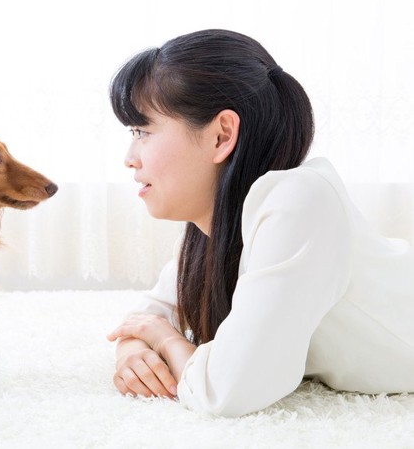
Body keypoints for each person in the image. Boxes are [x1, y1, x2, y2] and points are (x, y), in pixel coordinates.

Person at [105, 29, 414, 417]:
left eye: (142, 131)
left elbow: (227, 391)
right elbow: (147, 315)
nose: (130, 157)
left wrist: (165, 341)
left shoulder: (300, 201)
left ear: (222, 135)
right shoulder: (211, 228)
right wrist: (131, 350)